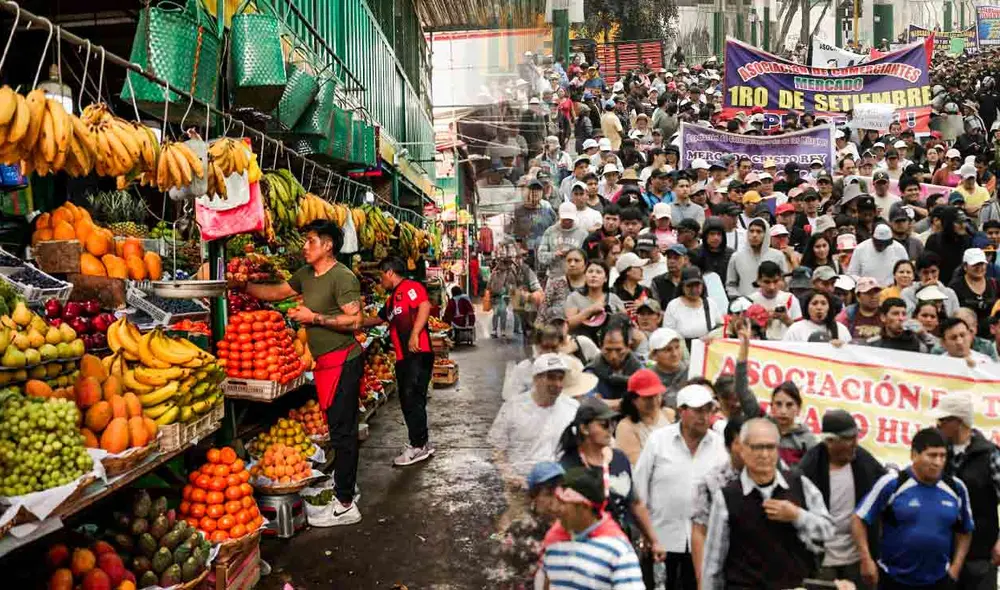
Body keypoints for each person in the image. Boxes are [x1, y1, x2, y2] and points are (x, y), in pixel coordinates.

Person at [242, 220, 364, 526]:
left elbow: (355, 321)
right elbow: (275, 292)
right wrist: (240, 286)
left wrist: (314, 317)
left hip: (344, 362)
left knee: (344, 431)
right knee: (336, 428)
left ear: (328, 245)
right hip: (324, 364)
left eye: (310, 241)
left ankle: (346, 503)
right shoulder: (306, 275)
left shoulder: (343, 277)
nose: (304, 246)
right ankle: (345, 485)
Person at [701, 418, 835, 590]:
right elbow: (713, 563)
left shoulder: (799, 484)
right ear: (742, 449)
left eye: (770, 447)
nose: (764, 454)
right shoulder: (727, 497)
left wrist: (797, 515)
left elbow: (828, 531)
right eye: (757, 447)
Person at [853, 428, 974, 590]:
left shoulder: (956, 488)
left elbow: (965, 530)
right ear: (914, 455)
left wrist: (955, 568)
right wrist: (866, 559)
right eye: (931, 455)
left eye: (942, 456)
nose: (938, 462)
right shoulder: (892, 484)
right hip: (892, 579)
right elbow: (858, 519)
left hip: (939, 581)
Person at [635, 384, 729, 590]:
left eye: (708, 410)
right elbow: (639, 490)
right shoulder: (658, 441)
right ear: (682, 411)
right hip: (660, 539)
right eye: (698, 410)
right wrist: (645, 533)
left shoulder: (720, 447)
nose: (704, 416)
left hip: (703, 544)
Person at [558, 397, 665, 561]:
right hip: (585, 547)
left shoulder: (619, 458)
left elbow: (635, 503)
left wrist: (654, 540)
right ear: (584, 428)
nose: (611, 429)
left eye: (613, 423)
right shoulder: (568, 465)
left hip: (623, 543)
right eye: (604, 424)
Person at [799, 410, 887, 590]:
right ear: (829, 441)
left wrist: (869, 557)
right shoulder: (809, 468)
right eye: (848, 438)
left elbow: (885, 492)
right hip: (823, 560)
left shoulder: (864, 462)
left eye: (856, 437)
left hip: (858, 557)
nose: (855, 443)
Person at [362, 257, 435, 466]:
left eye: (381, 276)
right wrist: (354, 323)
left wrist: (415, 334)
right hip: (404, 357)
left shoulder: (411, 287)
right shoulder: (391, 299)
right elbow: (378, 319)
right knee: (409, 400)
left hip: (418, 353)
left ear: (389, 273)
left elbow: (424, 306)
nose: (380, 281)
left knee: (412, 399)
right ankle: (420, 443)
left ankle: (418, 446)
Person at [932, 391, 1000, 590]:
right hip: (942, 550)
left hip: (980, 554)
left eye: (943, 420)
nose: (939, 425)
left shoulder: (990, 455)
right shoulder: (939, 453)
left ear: (958, 422)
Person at [539, 467, 646, 590]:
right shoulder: (554, 544)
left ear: (584, 507)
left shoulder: (617, 551)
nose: (556, 509)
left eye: (563, 503)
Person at [488, 353, 581, 480]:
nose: (558, 384)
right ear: (536, 379)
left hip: (559, 487)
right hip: (521, 486)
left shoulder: (573, 409)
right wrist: (510, 476)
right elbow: (497, 449)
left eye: (560, 378)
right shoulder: (513, 407)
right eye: (551, 378)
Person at [690, 417, 745, 585]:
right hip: (725, 572)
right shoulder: (712, 482)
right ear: (728, 446)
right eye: (740, 443)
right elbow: (700, 532)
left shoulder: (773, 480)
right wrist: (702, 581)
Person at [616, 368, 675, 465]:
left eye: (656, 396)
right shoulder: (626, 427)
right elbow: (637, 464)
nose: (653, 401)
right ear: (633, 400)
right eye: (647, 398)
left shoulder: (668, 414)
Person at [565, 260, 627, 343]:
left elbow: (625, 323)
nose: (594, 275)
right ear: (585, 276)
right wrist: (590, 311)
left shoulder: (613, 298)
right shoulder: (574, 297)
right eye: (590, 272)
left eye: (598, 272)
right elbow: (569, 325)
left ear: (605, 278)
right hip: (580, 343)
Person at [587, 318, 643, 408]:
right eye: (608, 350)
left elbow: (647, 399)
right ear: (600, 347)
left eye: (618, 350)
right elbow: (590, 404)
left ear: (628, 347)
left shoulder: (639, 369)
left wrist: (605, 402)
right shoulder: (591, 371)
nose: (613, 356)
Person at [726, 218, 787, 298]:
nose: (754, 235)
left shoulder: (778, 256)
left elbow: (784, 282)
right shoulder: (736, 257)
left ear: (766, 234)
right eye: (751, 231)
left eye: (759, 232)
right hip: (745, 306)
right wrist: (739, 300)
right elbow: (731, 285)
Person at [662, 266, 723, 347]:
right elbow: (667, 335)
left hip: (708, 351)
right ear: (682, 286)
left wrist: (711, 337)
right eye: (690, 286)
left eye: (697, 285)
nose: (694, 290)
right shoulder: (673, 306)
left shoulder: (710, 303)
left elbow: (720, 327)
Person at [948, 248, 998, 338]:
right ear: (965, 266)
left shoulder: (995, 284)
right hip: (966, 337)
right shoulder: (955, 287)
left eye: (982, 264)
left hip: (992, 337)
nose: (979, 268)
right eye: (975, 264)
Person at [750, 261, 802, 341]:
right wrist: (761, 322)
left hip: (785, 345)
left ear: (781, 280)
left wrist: (786, 320)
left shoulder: (790, 299)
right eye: (767, 282)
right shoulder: (750, 301)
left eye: (775, 281)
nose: (772, 287)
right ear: (759, 281)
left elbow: (801, 331)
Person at [538, 202, 590, 280]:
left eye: (570, 219)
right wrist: (554, 254)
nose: (567, 221)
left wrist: (574, 255)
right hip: (554, 276)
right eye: (564, 219)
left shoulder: (583, 233)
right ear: (559, 216)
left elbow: (588, 258)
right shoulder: (550, 232)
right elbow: (540, 256)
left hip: (576, 278)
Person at [539, 248, 587, 325]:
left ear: (585, 264)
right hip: (555, 330)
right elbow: (543, 310)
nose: (572, 264)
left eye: (577, 260)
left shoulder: (591, 285)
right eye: (569, 261)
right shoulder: (556, 283)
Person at [866, 297, 931, 352]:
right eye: (895, 313)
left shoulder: (917, 343)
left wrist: (923, 334)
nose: (901, 318)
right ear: (883, 317)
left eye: (904, 314)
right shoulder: (873, 344)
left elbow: (937, 353)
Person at [782, 290, 851, 342]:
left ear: (829, 307)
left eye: (823, 303)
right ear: (807, 307)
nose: (819, 307)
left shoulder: (841, 329)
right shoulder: (795, 329)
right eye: (814, 303)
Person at [838, 277, 885, 342]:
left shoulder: (886, 313)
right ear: (858, 296)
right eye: (868, 293)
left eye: (876, 292)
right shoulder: (847, 314)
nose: (873, 296)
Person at [651, 244, 687, 310]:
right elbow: (656, 309)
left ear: (685, 259)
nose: (671, 261)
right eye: (669, 258)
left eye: (676, 258)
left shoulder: (692, 280)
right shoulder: (658, 281)